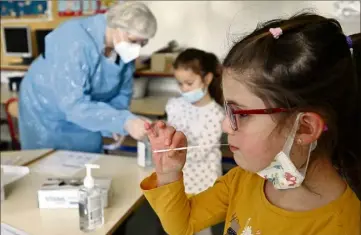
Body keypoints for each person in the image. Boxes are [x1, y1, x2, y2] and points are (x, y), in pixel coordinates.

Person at [140, 12, 361, 235]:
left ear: (305, 127)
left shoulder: (344, 225)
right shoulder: (243, 180)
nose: (226, 125)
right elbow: (183, 225)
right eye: (228, 110)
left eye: (241, 114)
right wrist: (169, 174)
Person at [18, 2, 157, 153]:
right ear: (117, 26)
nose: (136, 49)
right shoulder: (74, 41)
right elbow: (73, 104)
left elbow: (122, 93)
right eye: (133, 41)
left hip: (85, 111)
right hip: (47, 112)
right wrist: (124, 121)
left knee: (87, 162)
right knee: (47, 164)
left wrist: (118, 124)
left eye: (142, 44)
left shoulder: (122, 50)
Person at [165, 49, 225, 235]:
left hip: (202, 183)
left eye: (189, 83)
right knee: (175, 226)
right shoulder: (175, 106)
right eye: (180, 83)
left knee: (198, 228)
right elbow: (168, 133)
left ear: (206, 79)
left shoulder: (215, 115)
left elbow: (198, 153)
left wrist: (173, 141)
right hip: (177, 181)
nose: (184, 89)